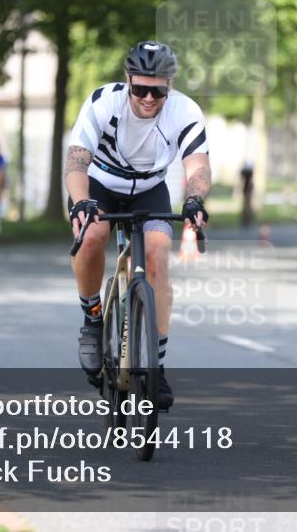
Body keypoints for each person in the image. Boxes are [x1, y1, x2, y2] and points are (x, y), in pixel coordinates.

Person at [65, 41, 211, 410]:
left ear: (170, 86)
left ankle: (156, 367)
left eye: (157, 91)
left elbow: (198, 166)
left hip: (149, 188)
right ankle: (92, 318)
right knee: (92, 235)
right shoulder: (103, 102)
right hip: (99, 184)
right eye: (140, 89)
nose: (148, 98)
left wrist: (195, 200)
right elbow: (77, 162)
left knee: (158, 254)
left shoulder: (185, 110)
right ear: (128, 80)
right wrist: (81, 202)